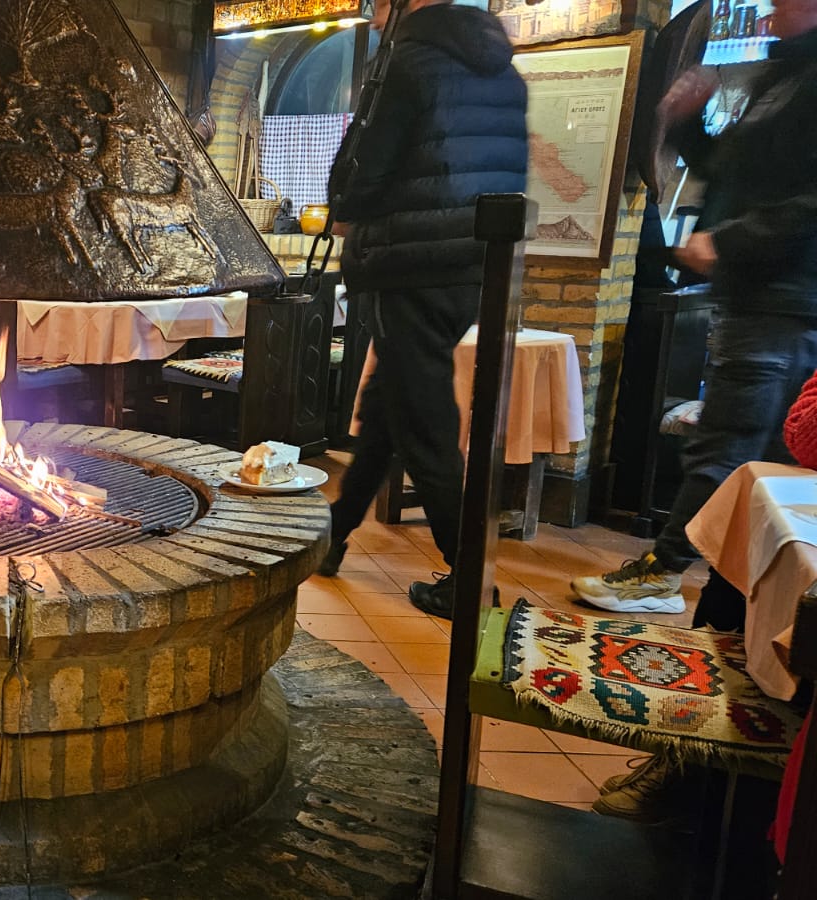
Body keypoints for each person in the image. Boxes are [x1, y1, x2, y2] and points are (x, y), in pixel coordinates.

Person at [571, 0, 817, 615]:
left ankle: (665, 574)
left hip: (783, 302)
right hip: (754, 295)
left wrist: (730, 241)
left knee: (728, 445)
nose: (773, 9)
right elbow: (731, 173)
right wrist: (688, 123)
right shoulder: (785, 73)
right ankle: (733, 600)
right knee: (752, 452)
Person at [315, 0, 529, 619]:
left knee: (426, 423)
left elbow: (361, 173)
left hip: (407, 261)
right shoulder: (502, 71)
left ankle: (469, 581)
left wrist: (343, 207)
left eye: (379, 6)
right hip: (469, 265)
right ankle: (334, 536)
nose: (375, 19)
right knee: (390, 404)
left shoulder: (407, 63)